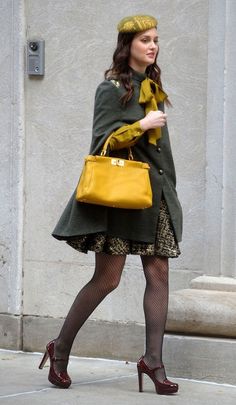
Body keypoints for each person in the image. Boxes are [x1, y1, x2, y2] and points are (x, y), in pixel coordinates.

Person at [39, 14, 182, 395]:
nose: (152, 46)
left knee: (159, 275)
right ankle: (60, 348)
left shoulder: (152, 86)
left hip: (156, 196)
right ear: (127, 45)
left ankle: (153, 361)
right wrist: (141, 125)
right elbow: (102, 140)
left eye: (155, 39)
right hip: (124, 199)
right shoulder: (112, 87)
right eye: (144, 40)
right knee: (108, 279)